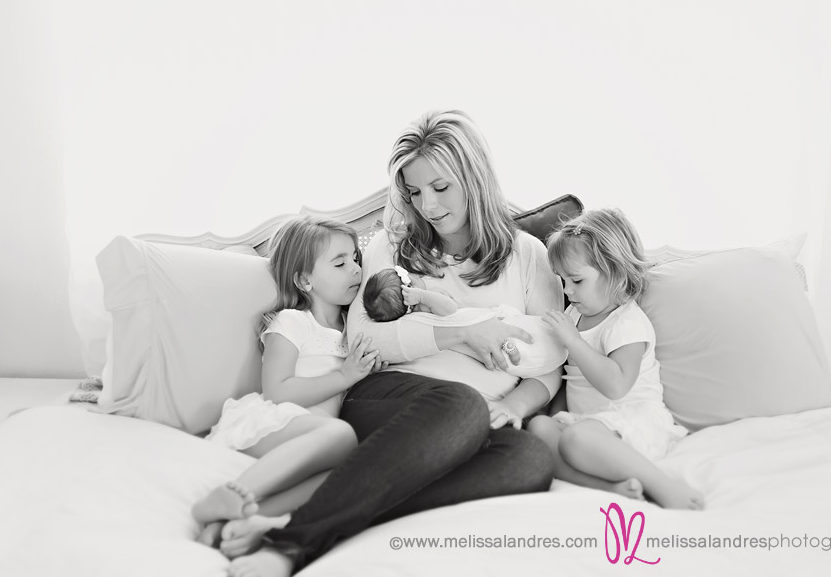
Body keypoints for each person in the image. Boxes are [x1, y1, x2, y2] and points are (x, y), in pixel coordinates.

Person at [227, 110, 558, 577]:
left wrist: (519, 406)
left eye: (440, 188)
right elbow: (364, 337)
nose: (428, 205)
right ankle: (288, 546)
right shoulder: (392, 246)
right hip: (391, 399)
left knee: (531, 460)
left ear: (475, 177)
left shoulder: (528, 254)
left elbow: (549, 357)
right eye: (414, 191)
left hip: (482, 414)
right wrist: (460, 332)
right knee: (460, 406)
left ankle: (302, 519)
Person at [193, 217, 386, 558]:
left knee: (348, 474)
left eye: (356, 258)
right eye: (340, 263)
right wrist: (346, 376)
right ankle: (233, 492)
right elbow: (277, 391)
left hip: (312, 440)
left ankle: (240, 521)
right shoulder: (294, 321)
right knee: (341, 435)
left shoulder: (351, 328)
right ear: (304, 279)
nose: (355, 269)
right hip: (272, 422)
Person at [527, 209, 704, 510]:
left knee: (577, 440)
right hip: (589, 425)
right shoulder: (575, 315)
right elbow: (570, 378)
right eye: (563, 281)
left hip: (632, 421)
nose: (568, 291)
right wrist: (557, 417)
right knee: (539, 430)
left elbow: (616, 385)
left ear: (615, 273)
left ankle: (663, 486)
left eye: (577, 281)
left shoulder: (626, 323)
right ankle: (612, 488)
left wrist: (572, 340)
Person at [363, 265, 568, 379]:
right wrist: (423, 295)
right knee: (510, 345)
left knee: (513, 336)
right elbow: (450, 309)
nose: (418, 279)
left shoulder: (413, 318)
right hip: (480, 343)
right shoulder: (424, 304)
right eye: (412, 280)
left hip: (488, 338)